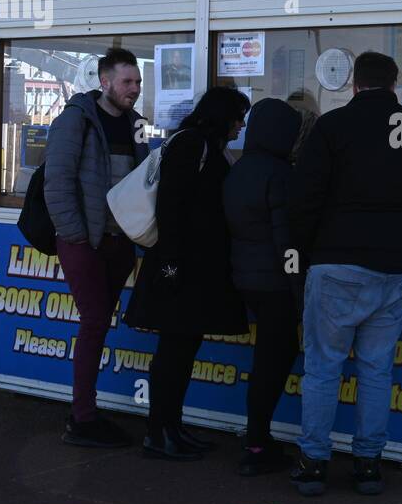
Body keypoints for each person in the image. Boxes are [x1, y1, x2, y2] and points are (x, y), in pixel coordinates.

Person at [287, 51, 402, 496]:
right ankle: (368, 464)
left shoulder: (331, 127)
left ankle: (313, 463)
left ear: (353, 85)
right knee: (375, 369)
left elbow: (304, 199)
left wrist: (306, 251)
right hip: (395, 267)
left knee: (323, 368)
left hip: (336, 265)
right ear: (394, 86)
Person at [124, 87, 251, 460]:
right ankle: (159, 431)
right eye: (237, 117)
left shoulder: (208, 146)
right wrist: (170, 266)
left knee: (183, 349)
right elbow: (171, 207)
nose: (241, 125)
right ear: (220, 116)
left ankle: (171, 427)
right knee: (174, 351)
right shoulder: (192, 145)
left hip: (192, 268)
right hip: (180, 268)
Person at [44, 47, 148, 447]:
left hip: (120, 241)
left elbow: (142, 181)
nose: (134, 89)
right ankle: (82, 418)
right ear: (104, 82)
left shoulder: (137, 125)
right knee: (93, 322)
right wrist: (75, 237)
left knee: (100, 321)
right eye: (127, 82)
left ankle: (86, 413)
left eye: (138, 82)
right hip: (85, 242)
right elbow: (57, 181)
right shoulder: (76, 120)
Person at [223, 98, 303, 475]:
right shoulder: (281, 175)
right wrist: (298, 288)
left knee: (265, 360)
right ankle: (257, 443)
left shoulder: (237, 171)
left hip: (245, 279)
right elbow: (286, 242)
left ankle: (257, 438)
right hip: (275, 285)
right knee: (273, 361)